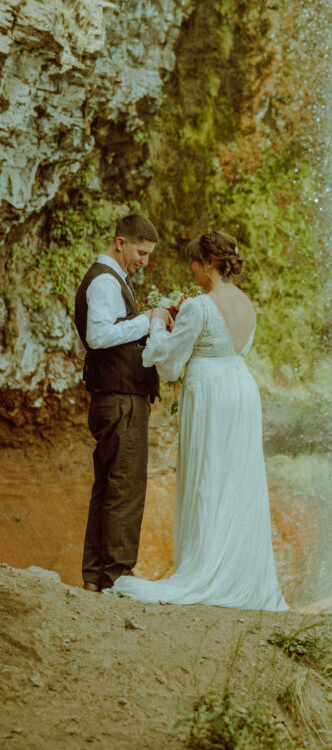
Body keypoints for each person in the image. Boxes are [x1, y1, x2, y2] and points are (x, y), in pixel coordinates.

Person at [111, 230, 287, 610]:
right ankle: (237, 572)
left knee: (208, 475)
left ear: (208, 263)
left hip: (210, 393)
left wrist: (158, 320)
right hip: (242, 390)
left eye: (192, 260)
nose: (189, 267)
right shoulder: (247, 304)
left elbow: (171, 363)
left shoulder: (199, 306)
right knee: (236, 479)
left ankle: (205, 569)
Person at [74, 213, 174, 593]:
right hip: (120, 400)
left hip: (113, 396)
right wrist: (149, 320)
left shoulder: (110, 280)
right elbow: (97, 336)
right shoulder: (103, 280)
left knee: (108, 486)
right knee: (125, 487)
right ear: (121, 243)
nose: (144, 261)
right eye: (141, 252)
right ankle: (118, 577)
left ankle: (95, 577)